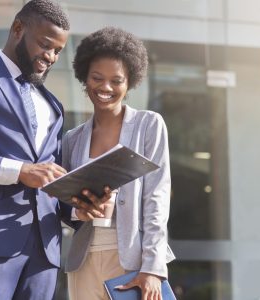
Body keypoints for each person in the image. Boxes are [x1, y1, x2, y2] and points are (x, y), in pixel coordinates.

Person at [0, 1, 70, 299]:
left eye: (58, 51)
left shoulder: (54, 105)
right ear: (17, 29)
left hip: (44, 252)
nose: (50, 57)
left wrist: (80, 204)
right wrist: (20, 171)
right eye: (45, 45)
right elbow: (31, 172)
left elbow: (52, 175)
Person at [62, 26, 175, 300]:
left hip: (132, 261)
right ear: (84, 79)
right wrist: (79, 212)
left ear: (130, 82)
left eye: (117, 80)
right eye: (97, 78)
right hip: (83, 262)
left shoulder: (148, 125)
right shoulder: (72, 139)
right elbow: (63, 205)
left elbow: (156, 198)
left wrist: (152, 267)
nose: (106, 88)